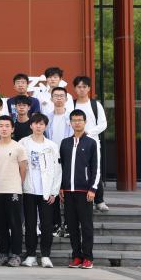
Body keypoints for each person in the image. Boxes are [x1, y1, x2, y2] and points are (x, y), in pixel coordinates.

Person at [59, 109, 99, 268]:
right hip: (68, 191)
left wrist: (93, 188)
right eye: (74, 120)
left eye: (79, 120)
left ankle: (88, 257)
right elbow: (61, 167)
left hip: (85, 191)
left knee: (86, 225)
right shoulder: (65, 143)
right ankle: (76, 256)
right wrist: (61, 187)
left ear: (85, 122)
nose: (77, 123)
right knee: (72, 226)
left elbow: (96, 167)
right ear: (70, 123)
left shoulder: (91, 143)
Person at [21, 113, 62, 268]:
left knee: (46, 224)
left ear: (45, 126)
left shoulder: (52, 146)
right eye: (36, 123)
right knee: (30, 224)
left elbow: (58, 170)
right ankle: (31, 255)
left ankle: (45, 256)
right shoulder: (23, 143)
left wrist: (54, 191)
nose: (38, 126)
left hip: (46, 191)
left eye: (42, 124)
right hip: (28, 190)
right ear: (31, 125)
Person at [0, 116, 28, 267]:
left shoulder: (18, 147)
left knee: (15, 224)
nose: (4, 128)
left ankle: (16, 255)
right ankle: (3, 254)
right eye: (1, 126)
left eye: (7, 126)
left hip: (13, 190)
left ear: (12, 129)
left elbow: (23, 169)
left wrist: (17, 184)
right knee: (0, 225)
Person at [72, 76, 108, 211]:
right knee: (78, 170)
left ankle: (99, 200)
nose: (81, 89)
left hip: (92, 142)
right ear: (75, 88)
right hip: (75, 142)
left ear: (89, 88)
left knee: (94, 170)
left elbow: (103, 124)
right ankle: (84, 199)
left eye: (84, 87)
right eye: (79, 87)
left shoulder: (95, 105)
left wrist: (87, 133)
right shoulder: (71, 104)